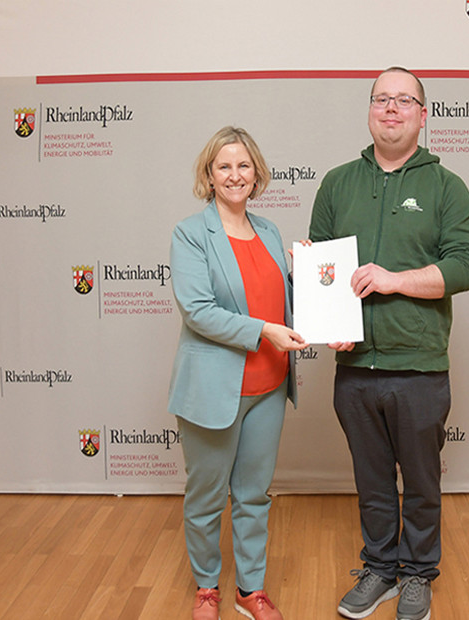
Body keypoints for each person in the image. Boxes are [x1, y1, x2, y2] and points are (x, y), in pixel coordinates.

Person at [311, 67, 469, 620]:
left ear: (422, 113)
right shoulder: (337, 183)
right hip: (355, 367)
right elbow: (320, 265)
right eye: (382, 99)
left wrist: (394, 279)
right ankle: (381, 568)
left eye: (403, 100)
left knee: (422, 482)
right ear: (369, 110)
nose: (391, 108)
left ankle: (418, 574)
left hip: (419, 367)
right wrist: (324, 314)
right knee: (371, 479)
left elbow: (467, 264)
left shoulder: (446, 186)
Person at [167, 126, 302, 620]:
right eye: (224, 166)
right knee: (206, 497)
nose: (235, 175)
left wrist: (305, 274)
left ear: (257, 173)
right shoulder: (190, 233)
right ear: (209, 175)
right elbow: (198, 310)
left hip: (269, 387)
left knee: (253, 495)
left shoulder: (269, 231)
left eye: (243, 165)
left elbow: (281, 301)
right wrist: (266, 330)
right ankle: (207, 587)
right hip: (213, 390)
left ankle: (251, 589)